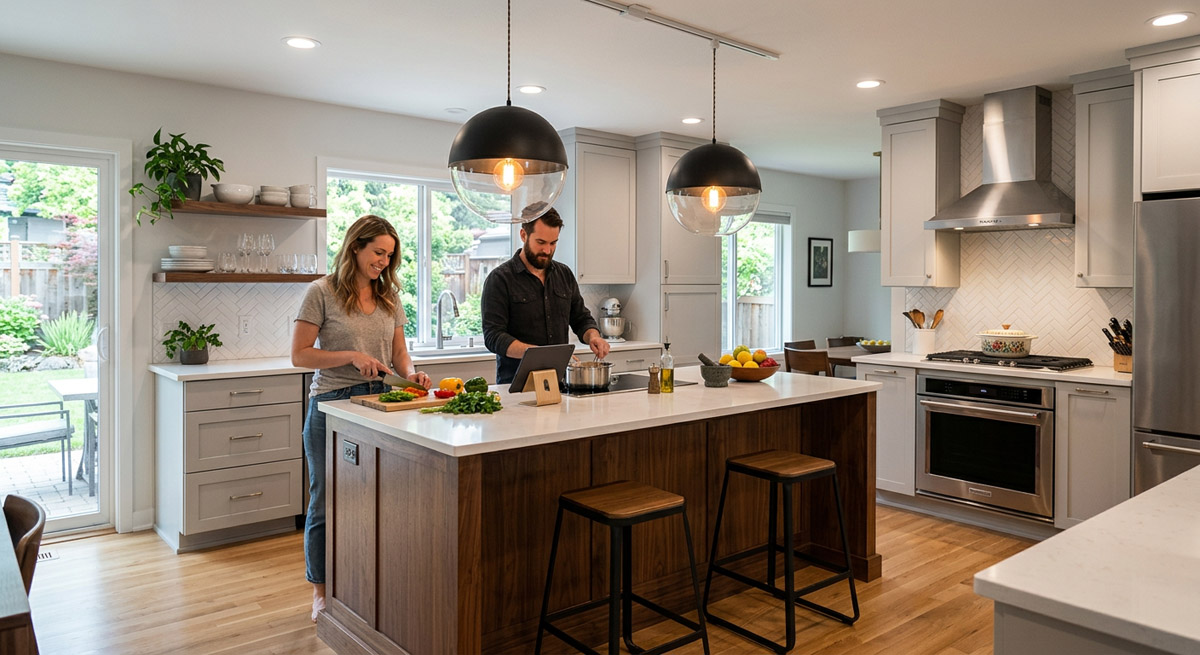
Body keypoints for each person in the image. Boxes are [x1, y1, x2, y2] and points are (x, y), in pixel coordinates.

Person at [291, 214, 431, 621]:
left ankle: (363, 582)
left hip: (378, 404)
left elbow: (398, 352)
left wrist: (411, 373)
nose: (384, 262)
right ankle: (320, 591)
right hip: (331, 406)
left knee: (376, 502)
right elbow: (299, 355)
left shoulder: (389, 297)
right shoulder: (321, 292)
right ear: (356, 247)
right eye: (378, 252)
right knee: (325, 502)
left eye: (389, 255)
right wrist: (352, 356)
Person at [481, 207, 610, 384]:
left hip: (560, 383)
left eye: (553, 243)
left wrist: (593, 337)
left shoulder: (564, 274)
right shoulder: (500, 279)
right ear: (523, 235)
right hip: (517, 386)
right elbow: (493, 336)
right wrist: (537, 356)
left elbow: (581, 319)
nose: (548, 250)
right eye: (541, 242)